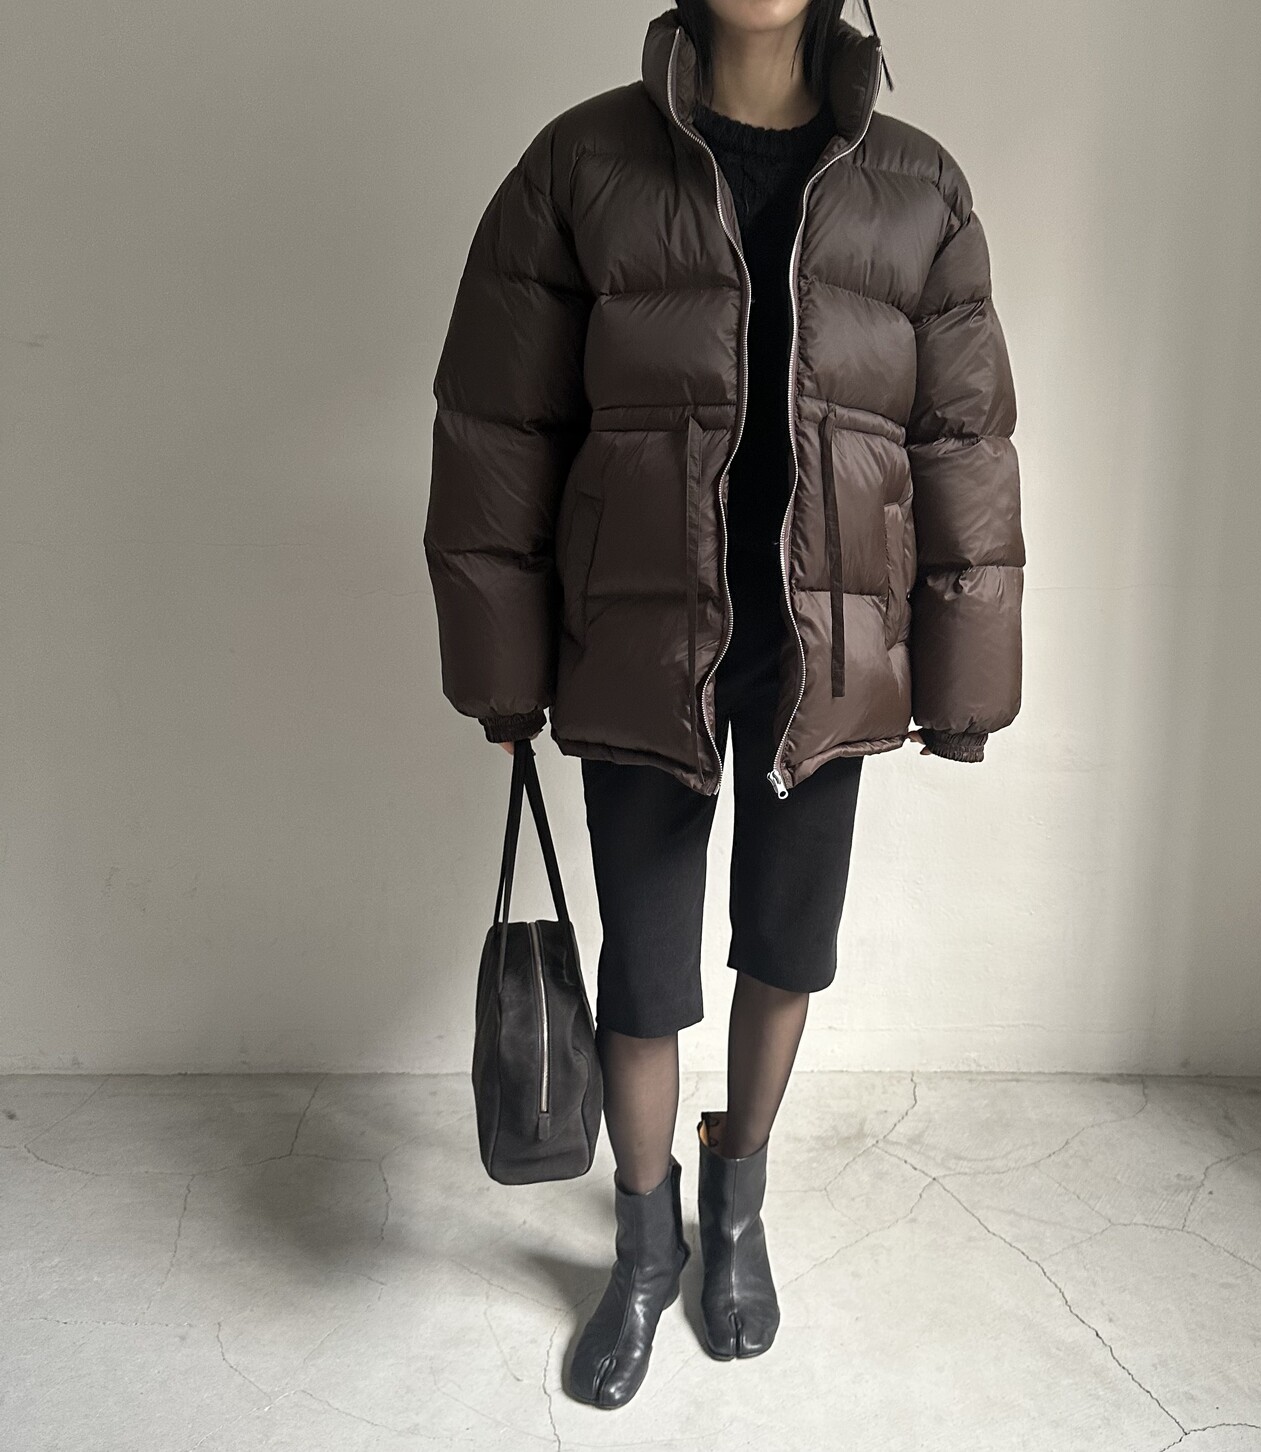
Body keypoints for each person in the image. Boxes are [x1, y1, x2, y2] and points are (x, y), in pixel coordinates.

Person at [424, 0, 1024, 1409]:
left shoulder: (922, 190)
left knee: (787, 949)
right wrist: (502, 663)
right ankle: (644, 1247)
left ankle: (734, 1206)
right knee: (644, 968)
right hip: (640, 634)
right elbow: (499, 424)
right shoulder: (579, 167)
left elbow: (963, 446)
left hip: (831, 644)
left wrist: (965, 677)